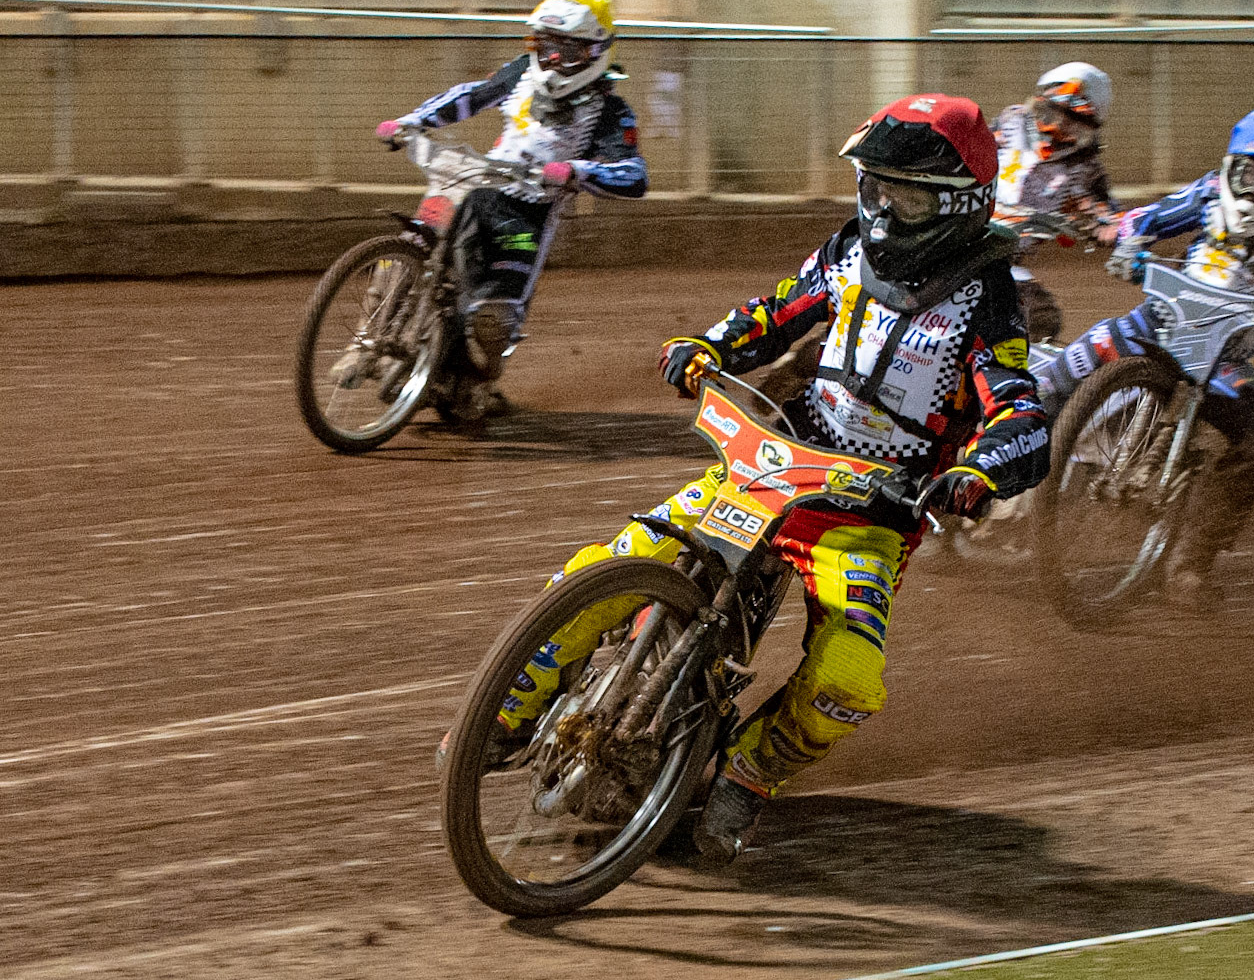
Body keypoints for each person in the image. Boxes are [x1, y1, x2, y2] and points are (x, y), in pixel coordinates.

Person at [445, 94, 1050, 865]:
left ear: (960, 205)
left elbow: (1019, 411)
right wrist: (709, 344)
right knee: (605, 568)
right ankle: (502, 719)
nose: (886, 211)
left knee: (848, 678)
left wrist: (977, 468)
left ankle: (750, 775)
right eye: (876, 188)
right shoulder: (847, 249)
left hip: (872, 507)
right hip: (778, 456)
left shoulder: (992, 296)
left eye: (909, 195)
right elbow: (777, 311)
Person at [1032, 104, 1254, 610]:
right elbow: (1145, 218)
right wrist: (1128, 239)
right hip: (1149, 328)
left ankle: (1191, 564)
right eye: (1247, 174)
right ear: (1231, 166)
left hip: (1221, 360)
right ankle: (985, 479)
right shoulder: (1208, 193)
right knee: (1051, 384)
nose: (1252, 192)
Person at [374, 0, 647, 415]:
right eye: (545, 46)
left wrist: (578, 171)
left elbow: (634, 174)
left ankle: (476, 380)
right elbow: (473, 95)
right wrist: (412, 122)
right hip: (477, 179)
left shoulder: (612, 110)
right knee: (409, 247)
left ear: (596, 52)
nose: (553, 60)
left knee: (492, 320)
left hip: (527, 213)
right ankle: (370, 339)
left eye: (568, 51)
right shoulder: (521, 72)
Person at [990, 62, 1125, 343]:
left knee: (1038, 317)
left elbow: (1107, 215)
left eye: (1074, 119)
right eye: (1054, 111)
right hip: (957, 234)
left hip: (1000, 261)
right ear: (1041, 102)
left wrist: (1119, 230)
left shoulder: (1085, 168)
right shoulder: (1010, 121)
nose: (1060, 124)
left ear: (1090, 125)